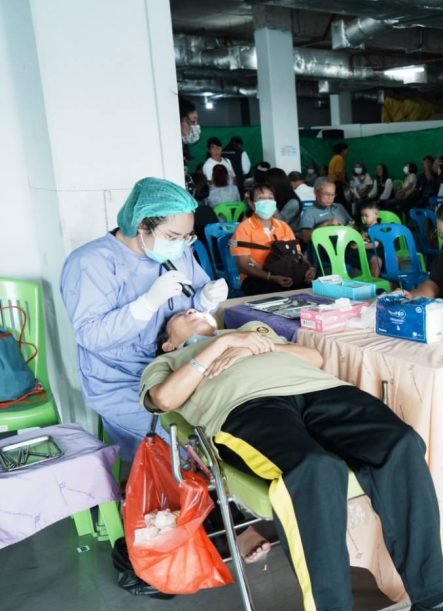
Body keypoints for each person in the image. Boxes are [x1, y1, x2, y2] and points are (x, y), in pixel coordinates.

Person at [141, 313, 443, 611]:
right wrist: (224, 343)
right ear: (168, 342)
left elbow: (313, 357)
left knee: (401, 445)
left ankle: (432, 601)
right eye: (180, 316)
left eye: (195, 309)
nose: (192, 311)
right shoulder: (169, 362)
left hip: (321, 392)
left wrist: (252, 345)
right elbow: (166, 399)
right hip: (245, 410)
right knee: (314, 469)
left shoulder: (251, 330)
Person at [60, 177, 227, 459]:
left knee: (227, 423)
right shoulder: (90, 262)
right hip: (122, 382)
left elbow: (190, 307)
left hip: (176, 367)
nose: (181, 245)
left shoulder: (178, 252)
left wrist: (206, 299)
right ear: (141, 225)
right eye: (172, 237)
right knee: (189, 446)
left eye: (187, 236)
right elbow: (91, 336)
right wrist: (145, 305)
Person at [231, 183, 316, 296]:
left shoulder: (283, 226)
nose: (267, 201)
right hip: (257, 278)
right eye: (261, 198)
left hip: (287, 273)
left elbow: (298, 254)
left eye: (270, 198)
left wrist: (310, 269)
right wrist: (271, 277)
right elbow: (244, 266)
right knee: (276, 290)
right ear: (251, 203)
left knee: (314, 286)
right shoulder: (244, 228)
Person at [300, 178, 354, 246]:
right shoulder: (309, 212)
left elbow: (352, 223)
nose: (330, 198)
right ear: (316, 192)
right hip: (325, 249)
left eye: (332, 195)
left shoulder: (339, 207)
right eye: (326, 194)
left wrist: (352, 227)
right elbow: (305, 238)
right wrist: (326, 224)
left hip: (346, 245)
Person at [268, 168, 304, 237]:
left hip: (291, 238)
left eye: (268, 186)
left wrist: (271, 201)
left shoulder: (293, 203)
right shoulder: (278, 197)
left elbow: (279, 224)